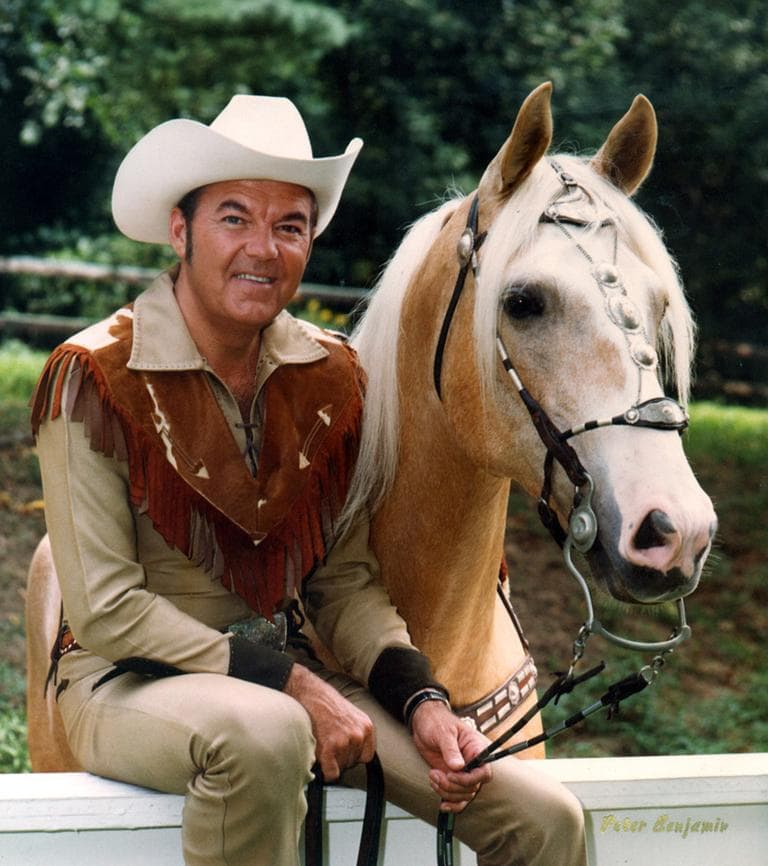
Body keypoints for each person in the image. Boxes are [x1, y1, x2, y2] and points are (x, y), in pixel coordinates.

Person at [32, 95, 586, 866]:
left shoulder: (328, 375)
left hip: (291, 677)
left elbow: (344, 583)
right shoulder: (94, 374)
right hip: (126, 683)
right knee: (265, 732)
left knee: (544, 816)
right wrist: (291, 683)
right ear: (180, 230)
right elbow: (108, 612)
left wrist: (421, 701)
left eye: (289, 225)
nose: (263, 248)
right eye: (234, 217)